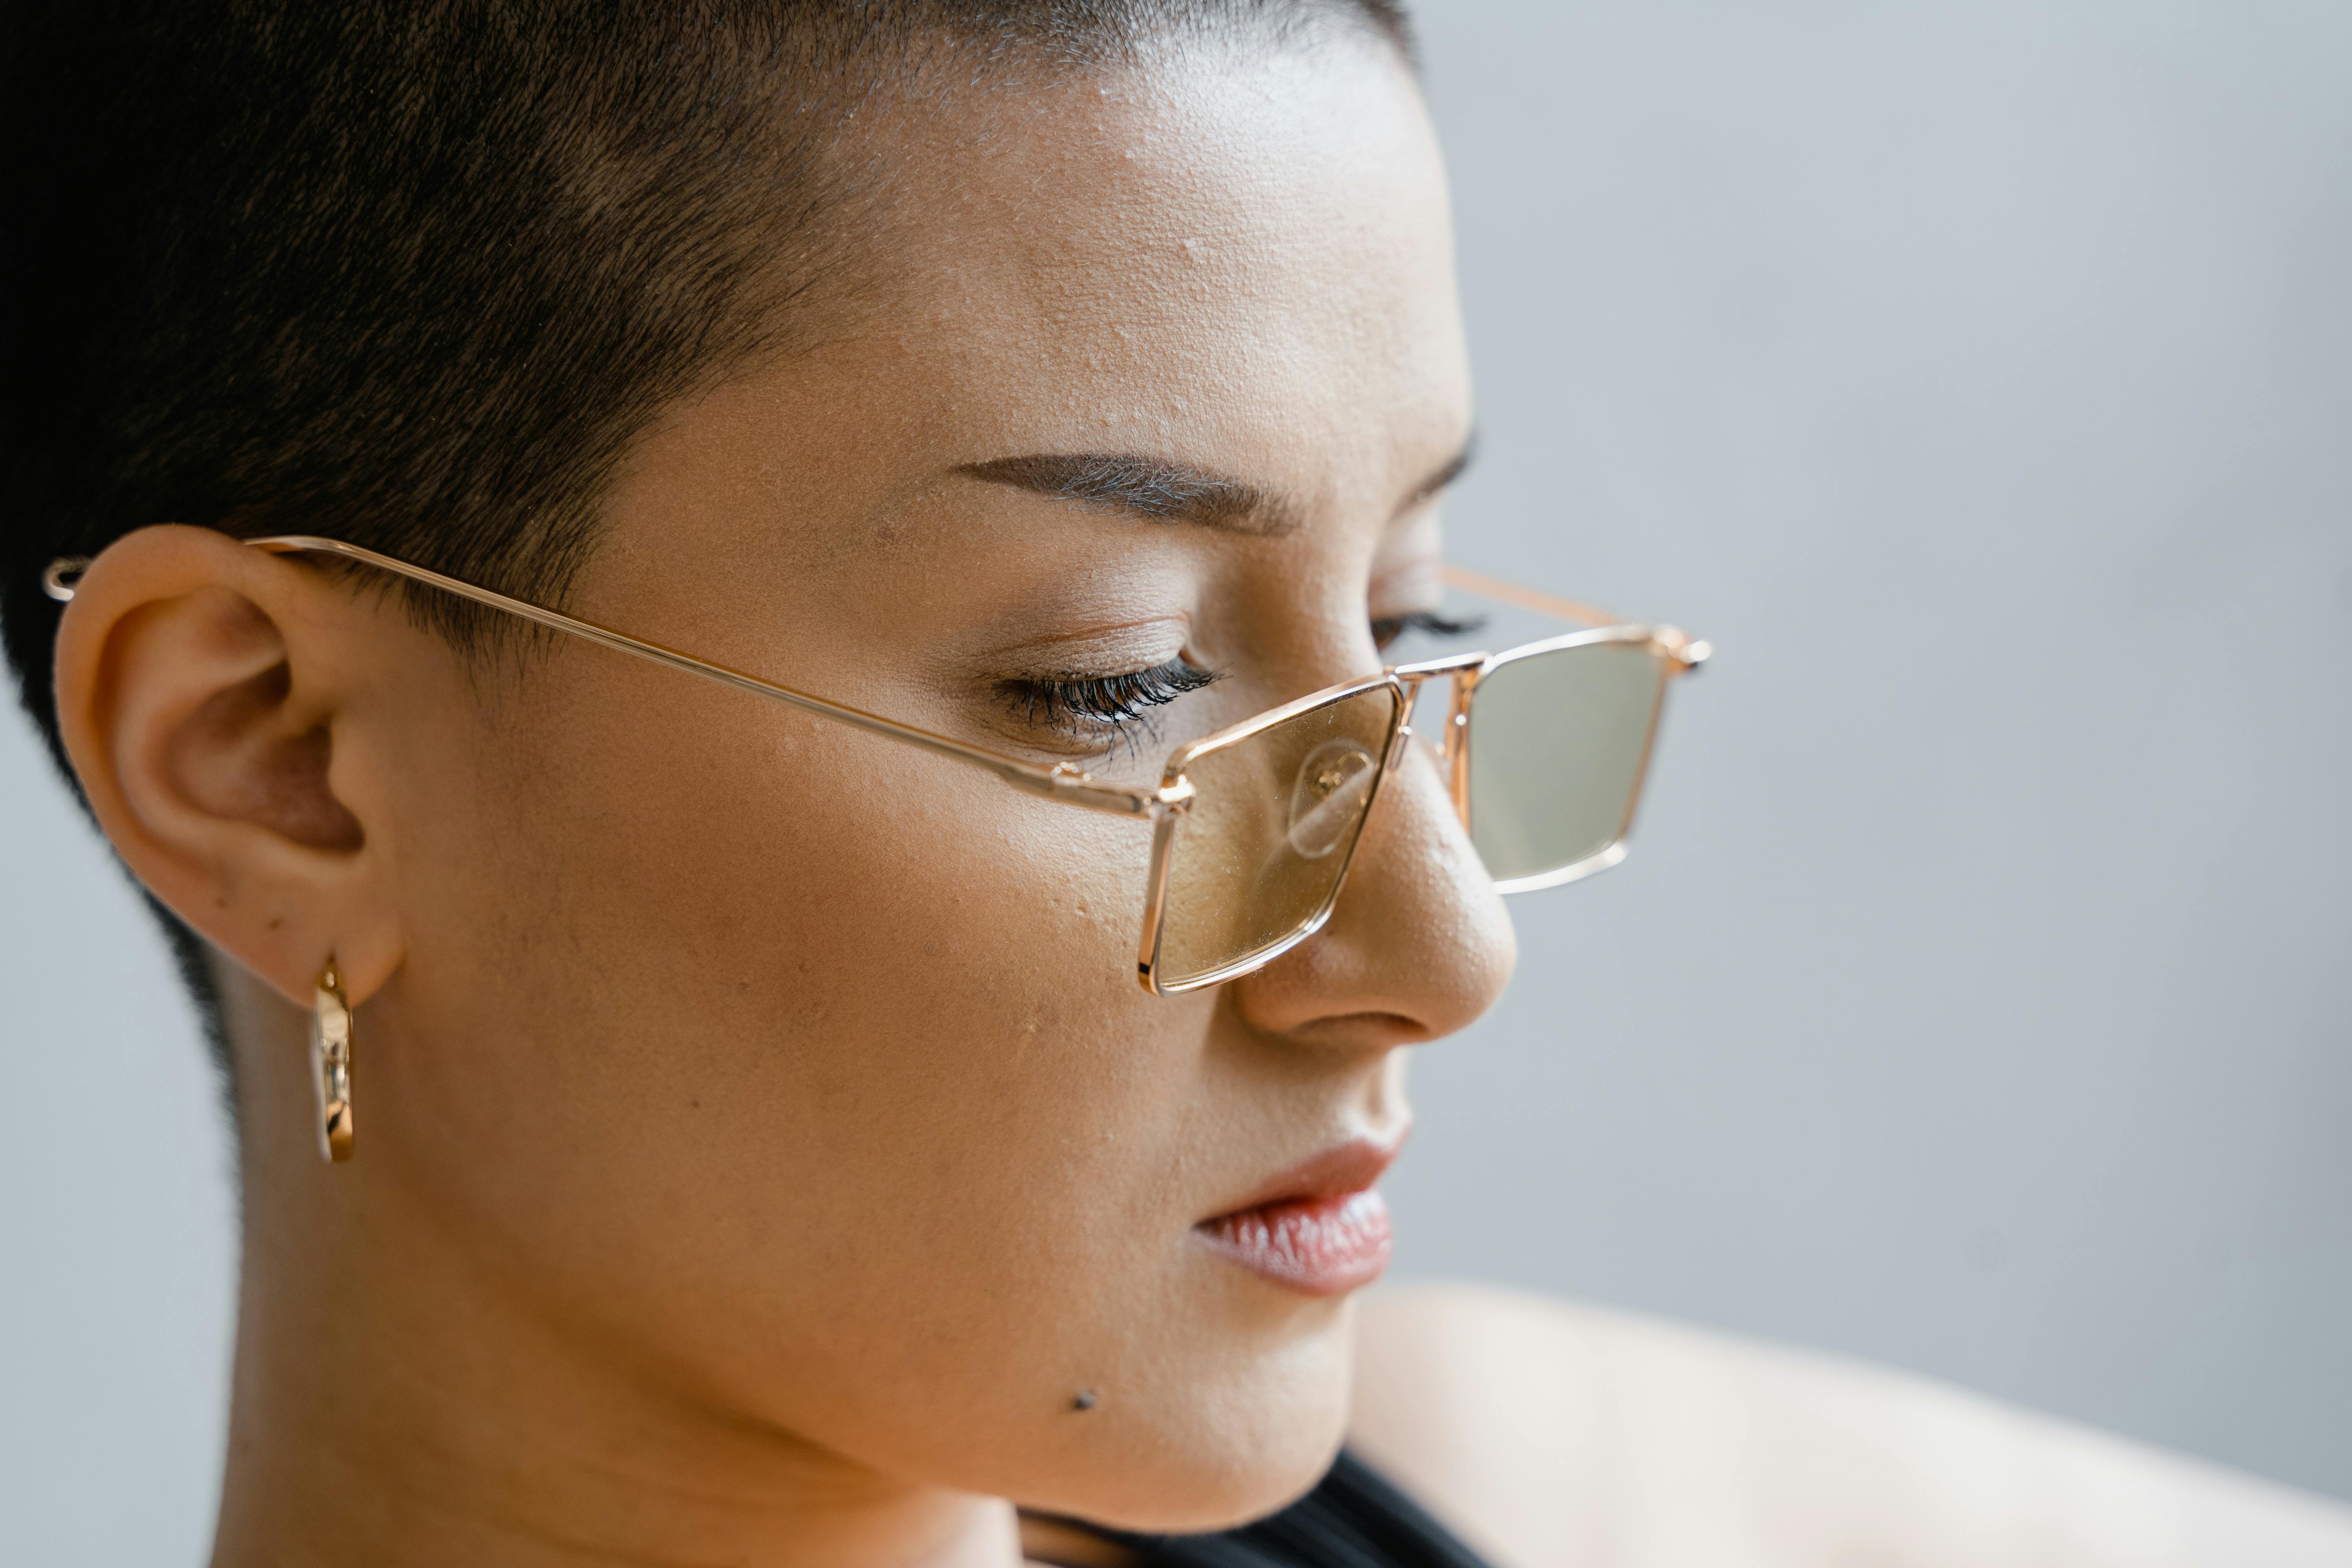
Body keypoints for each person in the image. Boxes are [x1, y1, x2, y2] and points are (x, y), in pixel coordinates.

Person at [6, 4, 2349, 1565]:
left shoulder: (1524, 1478)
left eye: (1411, 614)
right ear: (272, 762)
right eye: (1120, 684)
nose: (1448, 952)